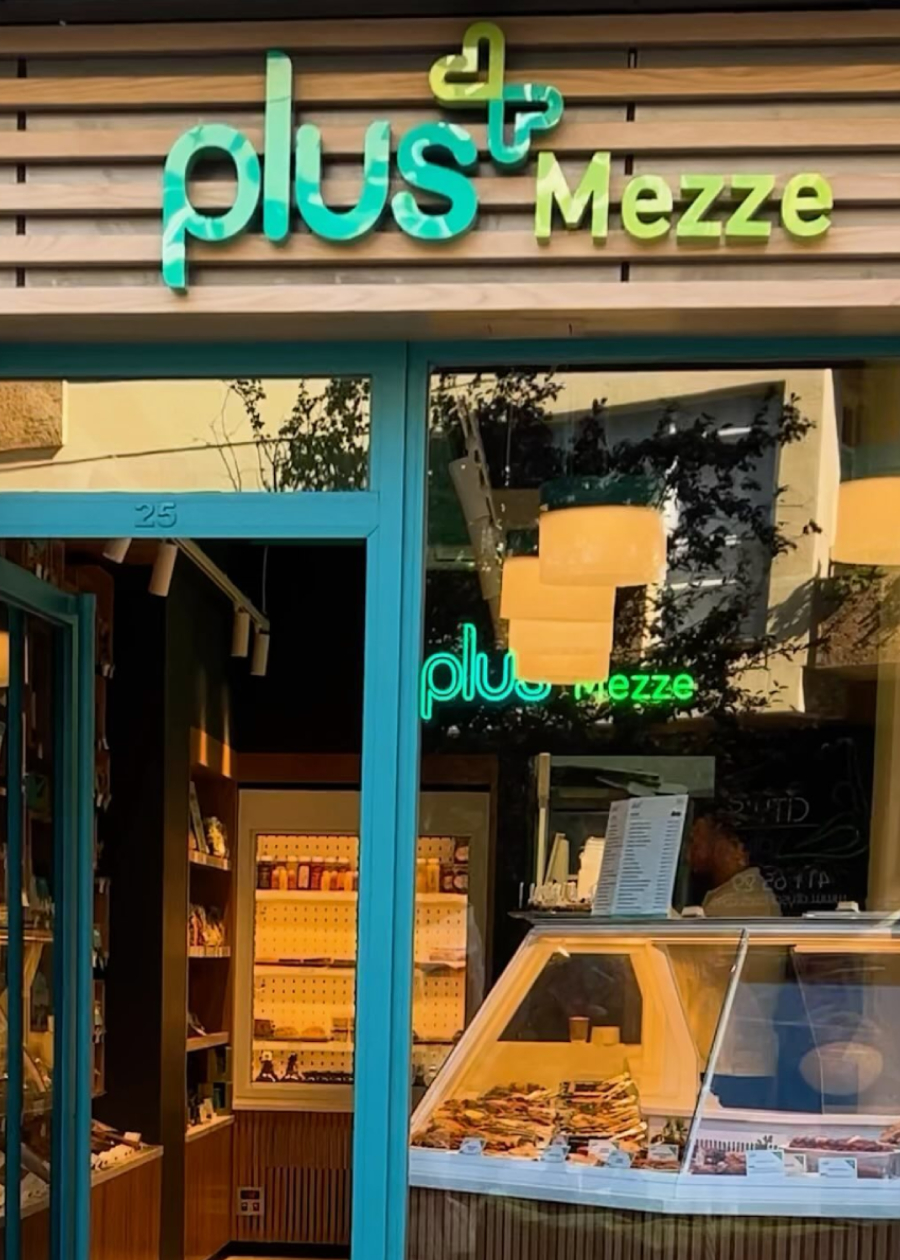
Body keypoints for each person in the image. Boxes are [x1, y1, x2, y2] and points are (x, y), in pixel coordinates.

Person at [684, 809, 783, 1110]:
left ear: (728, 842)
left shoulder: (741, 902)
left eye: (696, 837)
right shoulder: (729, 897)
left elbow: (699, 964)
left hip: (733, 1061)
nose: (689, 849)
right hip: (731, 1057)